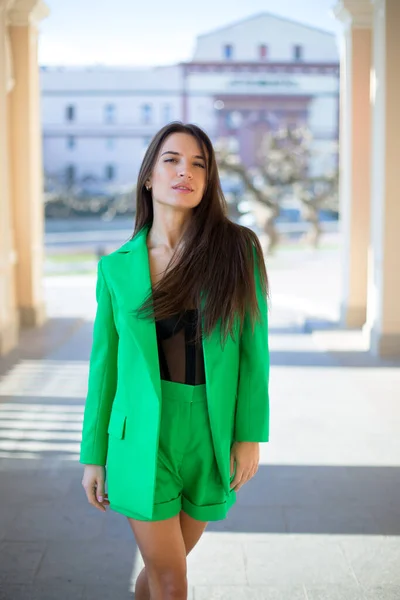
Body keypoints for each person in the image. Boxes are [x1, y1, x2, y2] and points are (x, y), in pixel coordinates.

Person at [80, 121, 270, 600]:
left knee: (165, 568)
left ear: (208, 183)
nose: (185, 171)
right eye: (172, 160)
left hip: (210, 430)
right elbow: (104, 368)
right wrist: (93, 455)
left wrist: (248, 436)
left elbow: (254, 350)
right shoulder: (117, 267)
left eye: (199, 164)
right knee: (172, 578)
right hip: (142, 436)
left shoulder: (236, 249)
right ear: (149, 175)